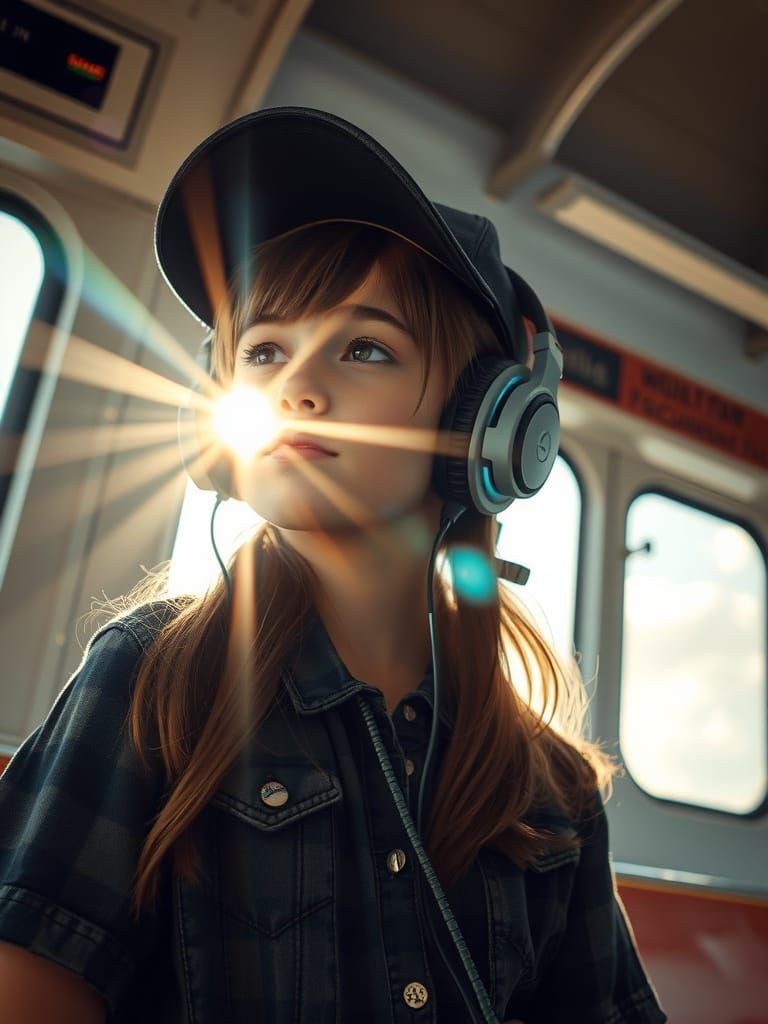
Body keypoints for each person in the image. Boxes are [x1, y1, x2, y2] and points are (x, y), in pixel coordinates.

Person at [0, 108, 667, 1023]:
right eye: (264, 349)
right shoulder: (153, 680)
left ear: (490, 426)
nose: (296, 387)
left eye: (366, 348)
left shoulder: (551, 792)